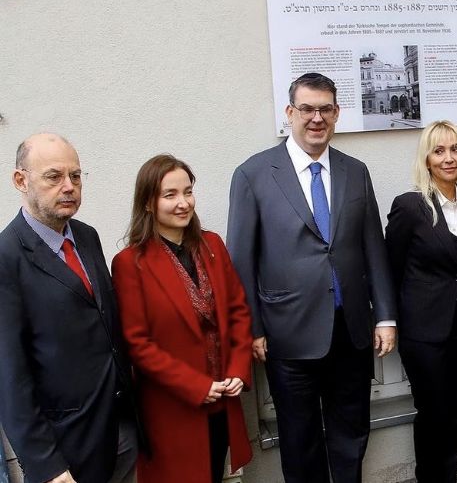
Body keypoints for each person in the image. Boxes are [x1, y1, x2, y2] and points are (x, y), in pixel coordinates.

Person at [227, 72, 398, 483]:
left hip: (351, 331)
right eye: (307, 109)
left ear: (336, 113)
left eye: (325, 109)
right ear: (290, 113)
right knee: (300, 441)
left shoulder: (355, 171)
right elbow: (241, 260)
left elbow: (373, 246)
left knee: (352, 433)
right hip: (289, 334)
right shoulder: (253, 174)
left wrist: (386, 316)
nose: (316, 118)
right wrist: (251, 328)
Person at [0, 133, 137, 483]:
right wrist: (46, 465)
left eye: (75, 176)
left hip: (119, 429)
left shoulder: (86, 236)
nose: (69, 186)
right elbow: (9, 375)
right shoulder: (7, 257)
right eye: (53, 176)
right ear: (21, 180)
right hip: (66, 449)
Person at [111, 155, 253, 483]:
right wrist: (196, 386)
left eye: (188, 192)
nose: (183, 203)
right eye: (170, 195)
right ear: (148, 202)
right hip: (172, 408)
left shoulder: (212, 245)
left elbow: (238, 312)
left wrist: (237, 370)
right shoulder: (131, 263)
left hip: (222, 398)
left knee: (215, 473)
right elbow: (137, 344)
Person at [385, 120, 457, 483]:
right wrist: (389, 321)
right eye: (439, 150)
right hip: (422, 329)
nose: (448, 158)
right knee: (432, 411)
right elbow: (389, 268)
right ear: (426, 159)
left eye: (455, 149)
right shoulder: (410, 206)